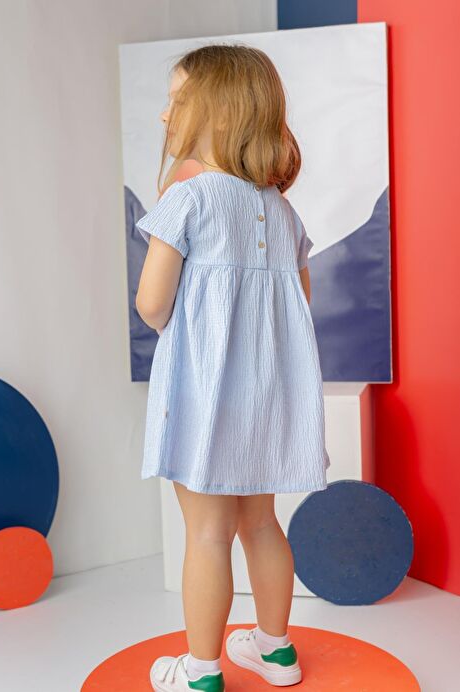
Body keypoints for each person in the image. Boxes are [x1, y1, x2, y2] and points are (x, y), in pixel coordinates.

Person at [135, 43, 330, 692]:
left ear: (217, 113)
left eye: (177, 101)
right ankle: (276, 651)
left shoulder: (188, 199)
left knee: (206, 534)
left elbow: (152, 303)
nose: (165, 115)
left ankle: (201, 672)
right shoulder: (283, 211)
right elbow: (298, 302)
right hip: (266, 396)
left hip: (203, 395)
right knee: (261, 523)